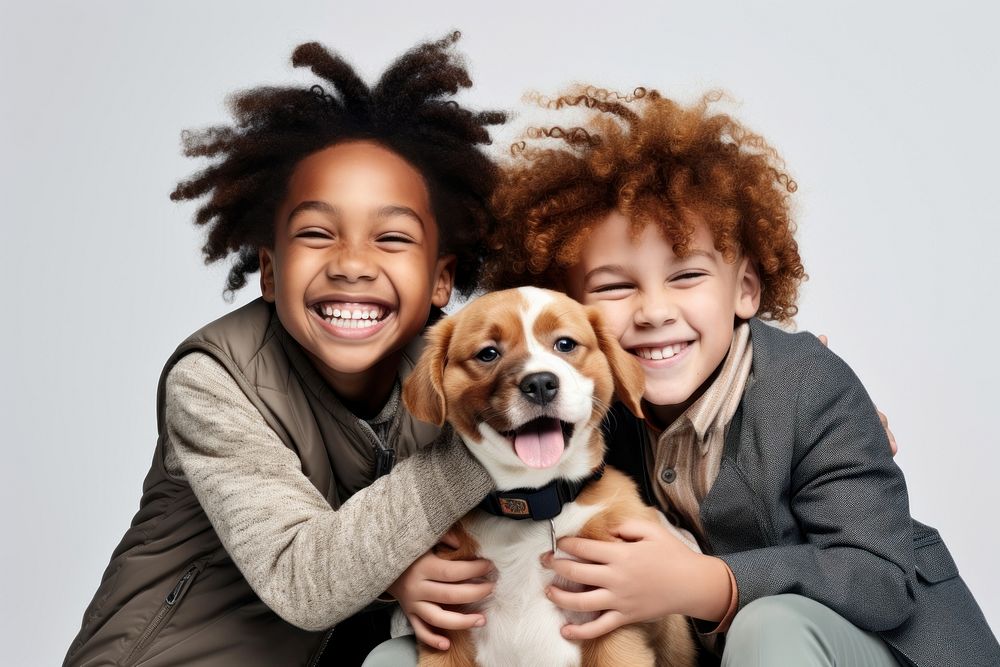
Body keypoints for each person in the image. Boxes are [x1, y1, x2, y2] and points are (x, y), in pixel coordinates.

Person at [476, 87, 1000, 666]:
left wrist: (707, 583)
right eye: (615, 286)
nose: (653, 311)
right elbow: (469, 374)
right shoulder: (584, 411)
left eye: (687, 276)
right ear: (566, 307)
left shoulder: (807, 387)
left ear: (745, 290)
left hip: (884, 649)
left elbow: (879, 577)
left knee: (769, 625)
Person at [63, 33, 503, 666]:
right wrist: (492, 442)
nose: (353, 263)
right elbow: (304, 578)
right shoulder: (214, 382)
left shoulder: (450, 368)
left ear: (441, 280)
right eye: (318, 233)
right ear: (270, 271)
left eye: (393, 237)